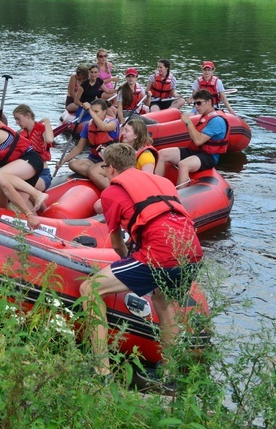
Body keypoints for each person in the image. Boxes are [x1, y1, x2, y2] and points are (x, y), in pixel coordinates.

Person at [79, 143, 202, 377]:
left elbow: (117, 244)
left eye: (104, 167)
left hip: (160, 253)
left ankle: (100, 370)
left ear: (112, 168)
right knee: (162, 301)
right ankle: (171, 373)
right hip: (192, 251)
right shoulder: (164, 183)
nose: (104, 171)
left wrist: (128, 262)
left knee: (90, 288)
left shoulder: (111, 193)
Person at [155, 90, 228, 187]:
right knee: (161, 154)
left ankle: (180, 196)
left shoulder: (217, 121)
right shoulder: (204, 117)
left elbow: (198, 141)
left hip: (209, 156)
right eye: (195, 103)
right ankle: (156, 186)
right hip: (195, 151)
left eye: (199, 103)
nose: (196, 106)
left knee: (183, 165)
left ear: (209, 102)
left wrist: (188, 122)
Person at [55, 99, 120, 190]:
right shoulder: (88, 126)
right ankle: (99, 177)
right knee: (73, 164)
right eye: (92, 111)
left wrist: (89, 110)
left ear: (104, 112)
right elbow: (79, 148)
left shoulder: (113, 122)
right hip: (94, 159)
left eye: (96, 111)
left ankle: (112, 189)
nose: (93, 114)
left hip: (110, 161)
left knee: (93, 171)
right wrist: (63, 161)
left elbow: (103, 127)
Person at [13, 104, 54, 191]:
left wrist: (46, 121)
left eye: (18, 118)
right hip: (26, 174)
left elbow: (49, 140)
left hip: (42, 174)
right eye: (15, 119)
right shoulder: (20, 134)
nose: (17, 122)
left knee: (23, 188)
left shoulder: (40, 128)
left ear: (28, 116)